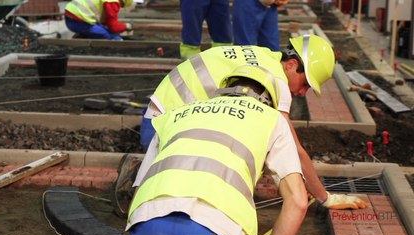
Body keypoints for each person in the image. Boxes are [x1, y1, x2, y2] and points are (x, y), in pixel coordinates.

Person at [140, 34, 369, 210]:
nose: (302, 92)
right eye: (305, 84)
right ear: (290, 65)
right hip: (161, 133)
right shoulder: (275, 80)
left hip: (157, 119)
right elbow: (293, 151)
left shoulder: (264, 56)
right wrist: (324, 197)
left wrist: (291, 181)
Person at [127, 65, 308, 235]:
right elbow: (298, 201)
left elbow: (140, 185)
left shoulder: (176, 113)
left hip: (147, 220)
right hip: (215, 226)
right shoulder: (271, 119)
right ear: (269, 101)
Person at [64, 0, 134, 41]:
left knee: (104, 30)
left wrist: (119, 27)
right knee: (114, 38)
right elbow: (113, 27)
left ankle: (82, 37)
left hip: (70, 17)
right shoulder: (113, 2)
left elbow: (106, 21)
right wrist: (127, 26)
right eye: (122, 5)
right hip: (79, 21)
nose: (119, 7)